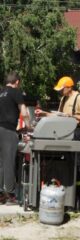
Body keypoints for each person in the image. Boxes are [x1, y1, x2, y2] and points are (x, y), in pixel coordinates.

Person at [35, 76, 80, 204]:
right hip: (66, 134)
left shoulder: (79, 98)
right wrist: (43, 113)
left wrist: (71, 115)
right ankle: (69, 193)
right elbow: (58, 115)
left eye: (62, 89)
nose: (60, 91)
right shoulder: (63, 99)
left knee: (79, 165)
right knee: (69, 164)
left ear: (69, 87)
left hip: (78, 133)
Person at [0, 72, 31, 205]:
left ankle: (1, 195)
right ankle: (11, 196)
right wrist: (29, 127)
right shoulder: (16, 92)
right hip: (8, 130)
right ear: (17, 82)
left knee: (0, 163)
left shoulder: (1, 93)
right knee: (9, 162)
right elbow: (24, 112)